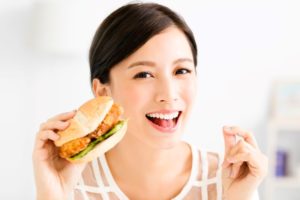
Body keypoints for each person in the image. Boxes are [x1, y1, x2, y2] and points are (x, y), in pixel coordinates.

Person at [32, 2, 268, 200]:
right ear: (103, 92)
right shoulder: (72, 182)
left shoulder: (230, 179)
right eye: (144, 74)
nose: (168, 93)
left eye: (182, 71)